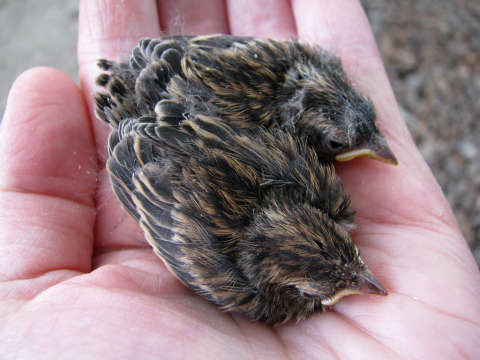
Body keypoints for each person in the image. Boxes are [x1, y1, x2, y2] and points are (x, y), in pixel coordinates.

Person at [0, 1, 478, 358]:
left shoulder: (296, 187)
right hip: (163, 142)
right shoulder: (252, 272)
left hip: (164, 138)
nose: (369, 279)